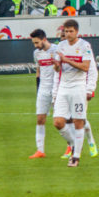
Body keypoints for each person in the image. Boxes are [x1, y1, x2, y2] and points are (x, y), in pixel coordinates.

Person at [52, 19, 93, 167]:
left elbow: (86, 67)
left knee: (78, 121)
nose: (68, 34)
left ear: (76, 32)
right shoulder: (60, 46)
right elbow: (57, 69)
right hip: (63, 87)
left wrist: (67, 60)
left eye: (71, 31)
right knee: (58, 122)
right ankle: (74, 144)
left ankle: (76, 157)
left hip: (78, 87)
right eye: (66, 31)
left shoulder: (84, 46)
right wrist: (56, 65)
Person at [29, 29, 58, 158]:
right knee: (40, 119)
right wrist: (38, 88)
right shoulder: (36, 53)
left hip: (57, 89)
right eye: (33, 43)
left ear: (44, 39)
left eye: (37, 42)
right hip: (43, 89)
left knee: (62, 121)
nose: (35, 46)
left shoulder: (57, 50)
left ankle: (70, 147)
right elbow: (38, 71)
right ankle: (40, 150)